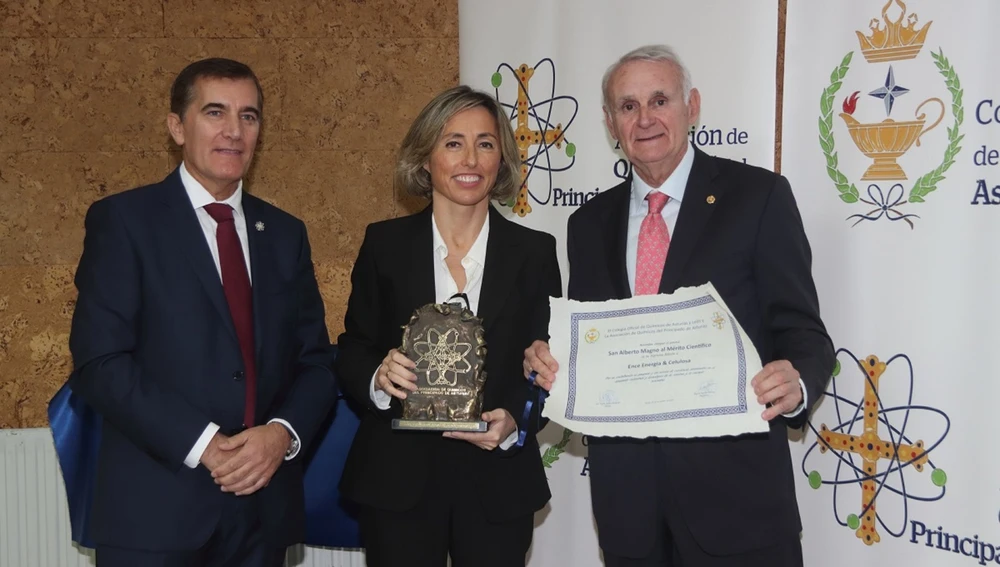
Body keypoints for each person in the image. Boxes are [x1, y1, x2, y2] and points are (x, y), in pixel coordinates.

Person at [523, 45, 835, 567]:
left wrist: (798, 380)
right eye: (627, 106)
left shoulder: (758, 197)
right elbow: (593, 343)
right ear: (609, 122)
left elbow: (802, 329)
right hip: (628, 510)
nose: (644, 118)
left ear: (691, 106)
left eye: (659, 100)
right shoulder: (588, 224)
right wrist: (552, 361)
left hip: (738, 501)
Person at [67, 57, 337, 567]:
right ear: (176, 127)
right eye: (215, 112)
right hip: (154, 511)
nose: (234, 131)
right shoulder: (124, 222)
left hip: (262, 512)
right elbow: (99, 362)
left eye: (249, 116)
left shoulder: (284, 234)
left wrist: (281, 434)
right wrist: (207, 443)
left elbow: (316, 363)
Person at [336, 85, 561, 567]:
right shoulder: (384, 245)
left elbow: (546, 366)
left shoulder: (536, 253)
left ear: (501, 160)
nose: (470, 159)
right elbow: (353, 347)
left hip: (496, 481)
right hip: (397, 479)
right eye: (453, 142)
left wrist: (515, 422)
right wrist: (378, 376)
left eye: (485, 143)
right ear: (425, 158)